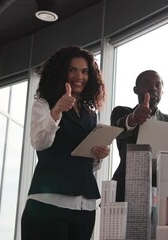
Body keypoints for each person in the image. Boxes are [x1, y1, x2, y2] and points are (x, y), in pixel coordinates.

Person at [21, 46, 109, 240]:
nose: (80, 76)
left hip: (85, 207)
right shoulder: (44, 104)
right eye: (73, 69)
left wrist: (98, 155)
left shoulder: (90, 115)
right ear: (61, 72)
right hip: (48, 205)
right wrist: (57, 111)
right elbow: (39, 142)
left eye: (85, 71)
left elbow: (87, 163)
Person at [111, 70, 168, 202]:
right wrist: (133, 118)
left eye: (158, 85)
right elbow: (119, 129)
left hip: (164, 195)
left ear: (162, 91)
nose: (153, 88)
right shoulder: (121, 112)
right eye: (147, 83)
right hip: (126, 192)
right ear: (135, 89)